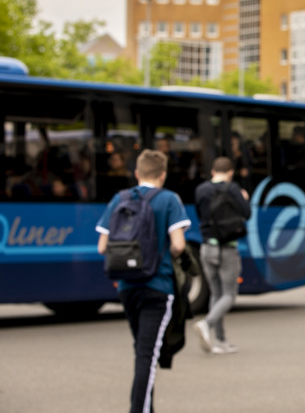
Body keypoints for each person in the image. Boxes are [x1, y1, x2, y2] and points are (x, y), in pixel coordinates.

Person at [96, 149, 190, 413]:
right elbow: (179, 245)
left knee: (142, 350)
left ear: (137, 173)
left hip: (127, 287)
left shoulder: (119, 199)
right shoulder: (170, 199)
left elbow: (102, 247)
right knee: (147, 357)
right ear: (163, 175)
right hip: (157, 287)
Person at [193, 156, 251, 354]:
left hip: (207, 248)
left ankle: (219, 341)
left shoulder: (201, 190)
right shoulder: (233, 189)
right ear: (230, 172)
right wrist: (244, 199)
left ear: (212, 172)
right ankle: (206, 324)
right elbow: (247, 213)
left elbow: (200, 215)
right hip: (227, 248)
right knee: (229, 294)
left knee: (216, 293)